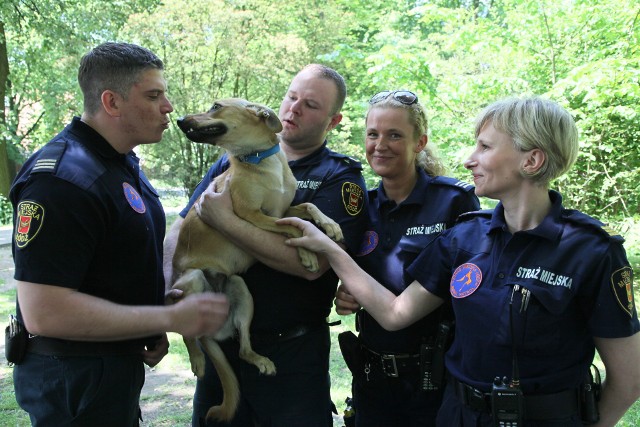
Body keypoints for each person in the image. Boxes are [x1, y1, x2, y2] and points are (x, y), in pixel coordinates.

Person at [281, 97, 640, 426]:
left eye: (484, 147)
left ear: (531, 161)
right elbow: (395, 313)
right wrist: (330, 250)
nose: (470, 159)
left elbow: (629, 379)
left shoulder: (590, 252)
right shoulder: (464, 238)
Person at [9, 42, 229, 427]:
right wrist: (168, 317)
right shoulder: (61, 180)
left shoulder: (117, 163)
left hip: (107, 366)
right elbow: (45, 311)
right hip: (72, 376)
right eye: (154, 95)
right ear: (112, 102)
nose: (168, 107)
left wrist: (152, 320)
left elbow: (115, 263)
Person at [163, 64, 369, 426]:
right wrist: (170, 290)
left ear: (333, 121)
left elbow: (312, 266)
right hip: (222, 343)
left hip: (293, 358)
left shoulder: (339, 176)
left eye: (311, 104)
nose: (293, 109)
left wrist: (226, 220)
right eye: (291, 97)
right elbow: (179, 228)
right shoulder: (234, 159)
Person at [335, 90, 479, 426]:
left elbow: (473, 285)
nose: (380, 144)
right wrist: (347, 291)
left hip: (436, 380)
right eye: (373, 134)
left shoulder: (454, 201)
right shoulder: (360, 208)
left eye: (394, 135)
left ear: (419, 142)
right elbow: (358, 276)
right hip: (372, 379)